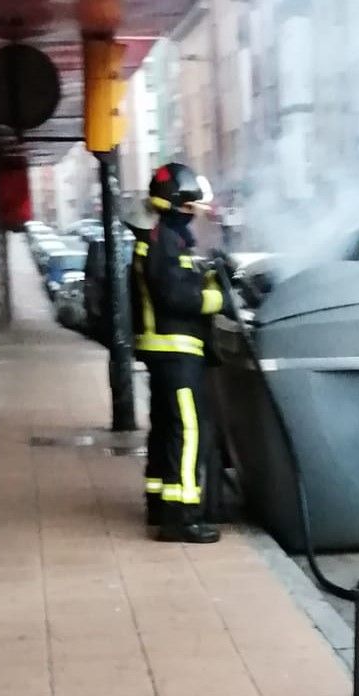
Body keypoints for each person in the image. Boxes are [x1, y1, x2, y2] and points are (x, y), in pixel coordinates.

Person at [131, 163, 231, 543]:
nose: (196, 210)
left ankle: (160, 502)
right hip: (177, 353)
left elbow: (178, 279)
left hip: (168, 353)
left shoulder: (164, 237)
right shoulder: (164, 240)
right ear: (177, 203)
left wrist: (211, 271)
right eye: (191, 204)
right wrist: (218, 297)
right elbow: (175, 294)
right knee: (188, 429)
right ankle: (182, 516)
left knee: (167, 429)